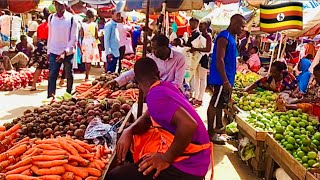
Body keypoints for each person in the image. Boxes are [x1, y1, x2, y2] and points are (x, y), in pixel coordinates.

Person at [106, 57, 212, 180]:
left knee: (115, 176)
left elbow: (189, 125)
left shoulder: (156, 96)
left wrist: (166, 158)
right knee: (134, 151)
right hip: (198, 157)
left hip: (190, 164)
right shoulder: (163, 87)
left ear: (136, 82)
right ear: (158, 74)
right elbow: (147, 116)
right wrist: (129, 130)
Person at [207, 14, 246, 144]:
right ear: (235, 24)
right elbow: (219, 60)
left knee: (220, 104)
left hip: (226, 78)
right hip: (221, 79)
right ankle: (210, 133)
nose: (242, 29)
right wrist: (225, 81)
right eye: (242, 26)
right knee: (214, 104)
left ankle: (218, 127)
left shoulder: (231, 38)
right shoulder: (224, 37)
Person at [107, 35, 186, 89]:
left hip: (173, 92)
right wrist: (117, 80)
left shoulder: (179, 58)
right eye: (152, 48)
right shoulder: (152, 58)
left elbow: (177, 82)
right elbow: (136, 70)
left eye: (155, 48)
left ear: (164, 47)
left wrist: (161, 87)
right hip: (156, 90)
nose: (153, 51)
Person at [47, 0, 77, 98]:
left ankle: (68, 94)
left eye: (60, 4)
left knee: (69, 74)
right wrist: (49, 51)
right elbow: (50, 35)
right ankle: (51, 97)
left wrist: (65, 52)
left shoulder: (72, 19)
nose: (58, 7)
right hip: (54, 51)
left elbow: (73, 38)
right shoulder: (51, 17)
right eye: (56, 4)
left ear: (65, 5)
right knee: (52, 75)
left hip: (68, 52)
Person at [189, 19, 212, 106]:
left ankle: (200, 98)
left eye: (202, 25)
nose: (200, 26)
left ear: (207, 26)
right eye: (200, 25)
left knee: (202, 79)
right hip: (197, 59)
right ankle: (195, 96)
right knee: (196, 78)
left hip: (203, 60)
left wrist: (195, 49)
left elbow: (208, 49)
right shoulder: (200, 35)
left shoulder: (208, 36)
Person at [29, 8, 50, 91]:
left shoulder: (40, 26)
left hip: (39, 46)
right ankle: (50, 85)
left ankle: (33, 85)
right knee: (52, 67)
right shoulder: (51, 26)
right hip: (48, 45)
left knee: (39, 67)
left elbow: (37, 38)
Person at [81, 9, 100, 81]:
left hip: (85, 42)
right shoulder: (94, 25)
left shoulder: (83, 25)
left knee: (86, 60)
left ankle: (86, 75)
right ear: (93, 16)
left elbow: (81, 35)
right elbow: (96, 36)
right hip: (92, 43)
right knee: (90, 60)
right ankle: (87, 76)